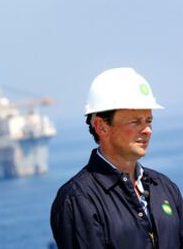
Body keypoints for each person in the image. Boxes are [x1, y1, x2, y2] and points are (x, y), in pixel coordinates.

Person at [50, 67, 183, 248]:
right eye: (135, 121)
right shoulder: (78, 199)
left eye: (148, 121)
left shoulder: (164, 187)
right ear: (101, 126)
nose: (147, 130)